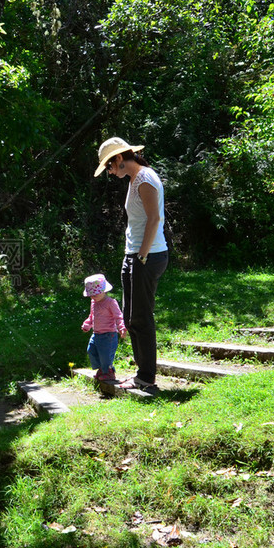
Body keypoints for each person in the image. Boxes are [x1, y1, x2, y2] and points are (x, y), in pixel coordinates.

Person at [95, 137, 168, 391]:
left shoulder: (145, 179)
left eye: (109, 167)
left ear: (118, 159)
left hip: (147, 256)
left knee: (141, 318)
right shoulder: (135, 178)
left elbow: (155, 218)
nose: (110, 172)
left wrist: (143, 256)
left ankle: (146, 377)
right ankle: (141, 373)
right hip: (134, 255)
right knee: (129, 316)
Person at [81, 274, 127, 381]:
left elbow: (118, 316)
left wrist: (122, 328)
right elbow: (92, 316)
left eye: (95, 294)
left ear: (104, 291)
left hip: (108, 334)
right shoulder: (93, 302)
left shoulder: (111, 302)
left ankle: (109, 372)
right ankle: (102, 369)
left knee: (105, 355)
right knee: (91, 350)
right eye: (91, 295)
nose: (93, 297)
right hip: (96, 333)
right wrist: (87, 324)